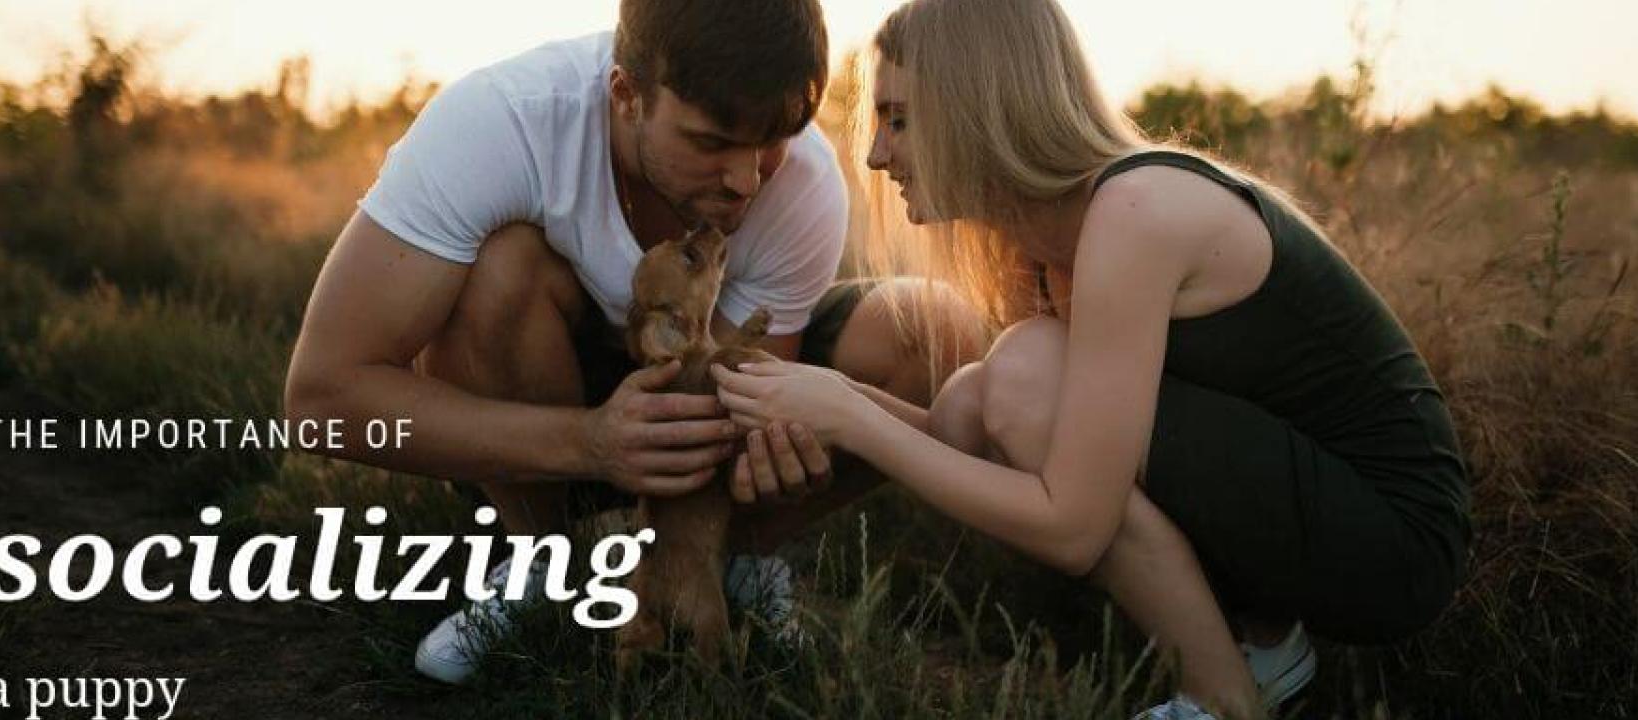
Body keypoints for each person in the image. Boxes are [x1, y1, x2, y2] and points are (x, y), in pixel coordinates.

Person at [710, 0, 1472, 717]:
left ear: (985, 107)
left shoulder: (1134, 210)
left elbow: (1073, 522)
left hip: (1393, 543)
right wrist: (823, 398)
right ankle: (1261, 642)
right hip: (1296, 500)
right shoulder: (1046, 242)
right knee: (981, 396)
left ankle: (1225, 699)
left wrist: (850, 414)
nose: (875, 155)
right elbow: (958, 440)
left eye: (899, 119)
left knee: (1020, 379)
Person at [283, 0, 973, 685]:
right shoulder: (500, 124)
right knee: (500, 269)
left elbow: (740, 398)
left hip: (696, 407)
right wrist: (591, 441)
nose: (746, 180)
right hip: (535, 409)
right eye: (711, 142)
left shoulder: (803, 181)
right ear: (625, 95)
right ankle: (543, 561)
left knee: (935, 327)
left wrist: (774, 444)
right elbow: (321, 399)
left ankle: (729, 560)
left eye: (775, 137)